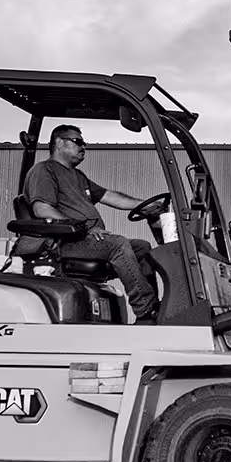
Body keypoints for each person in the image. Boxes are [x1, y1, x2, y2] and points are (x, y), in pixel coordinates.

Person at [23, 124, 162, 324]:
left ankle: (155, 307)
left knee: (142, 247)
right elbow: (42, 209)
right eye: (78, 142)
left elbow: (111, 197)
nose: (83, 147)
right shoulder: (44, 171)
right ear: (60, 143)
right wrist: (84, 228)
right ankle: (146, 310)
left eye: (84, 143)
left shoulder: (78, 177)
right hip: (64, 244)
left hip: (86, 240)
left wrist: (145, 205)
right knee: (118, 244)